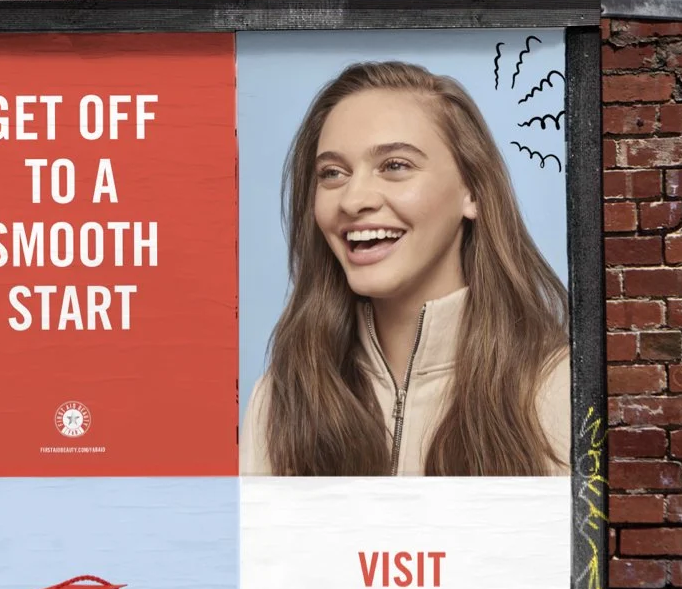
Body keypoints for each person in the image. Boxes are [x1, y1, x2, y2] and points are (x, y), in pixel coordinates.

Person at [242, 61, 570, 477]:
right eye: (332, 173)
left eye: (395, 166)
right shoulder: (276, 402)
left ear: (473, 192)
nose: (352, 199)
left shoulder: (561, 390)